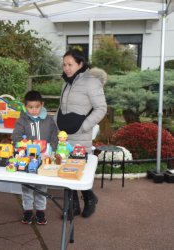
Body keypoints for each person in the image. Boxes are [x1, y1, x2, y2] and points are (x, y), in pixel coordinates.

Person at [55, 48, 107, 218]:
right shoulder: (66, 82)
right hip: (64, 135)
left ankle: (89, 198)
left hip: (80, 134)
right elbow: (61, 106)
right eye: (64, 65)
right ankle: (74, 206)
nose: (66, 68)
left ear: (80, 64)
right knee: (66, 169)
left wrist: (85, 126)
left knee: (78, 170)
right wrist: (56, 122)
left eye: (70, 64)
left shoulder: (91, 81)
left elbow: (101, 108)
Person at [12, 90, 58, 225]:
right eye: (30, 107)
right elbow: (16, 138)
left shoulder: (49, 120)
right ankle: (27, 210)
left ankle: (40, 210)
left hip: (44, 158)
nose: (34, 110)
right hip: (27, 159)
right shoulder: (22, 120)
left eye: (37, 107)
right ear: (25, 106)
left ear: (42, 104)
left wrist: (52, 151)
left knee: (42, 186)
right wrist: (24, 146)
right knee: (27, 186)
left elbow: (55, 137)